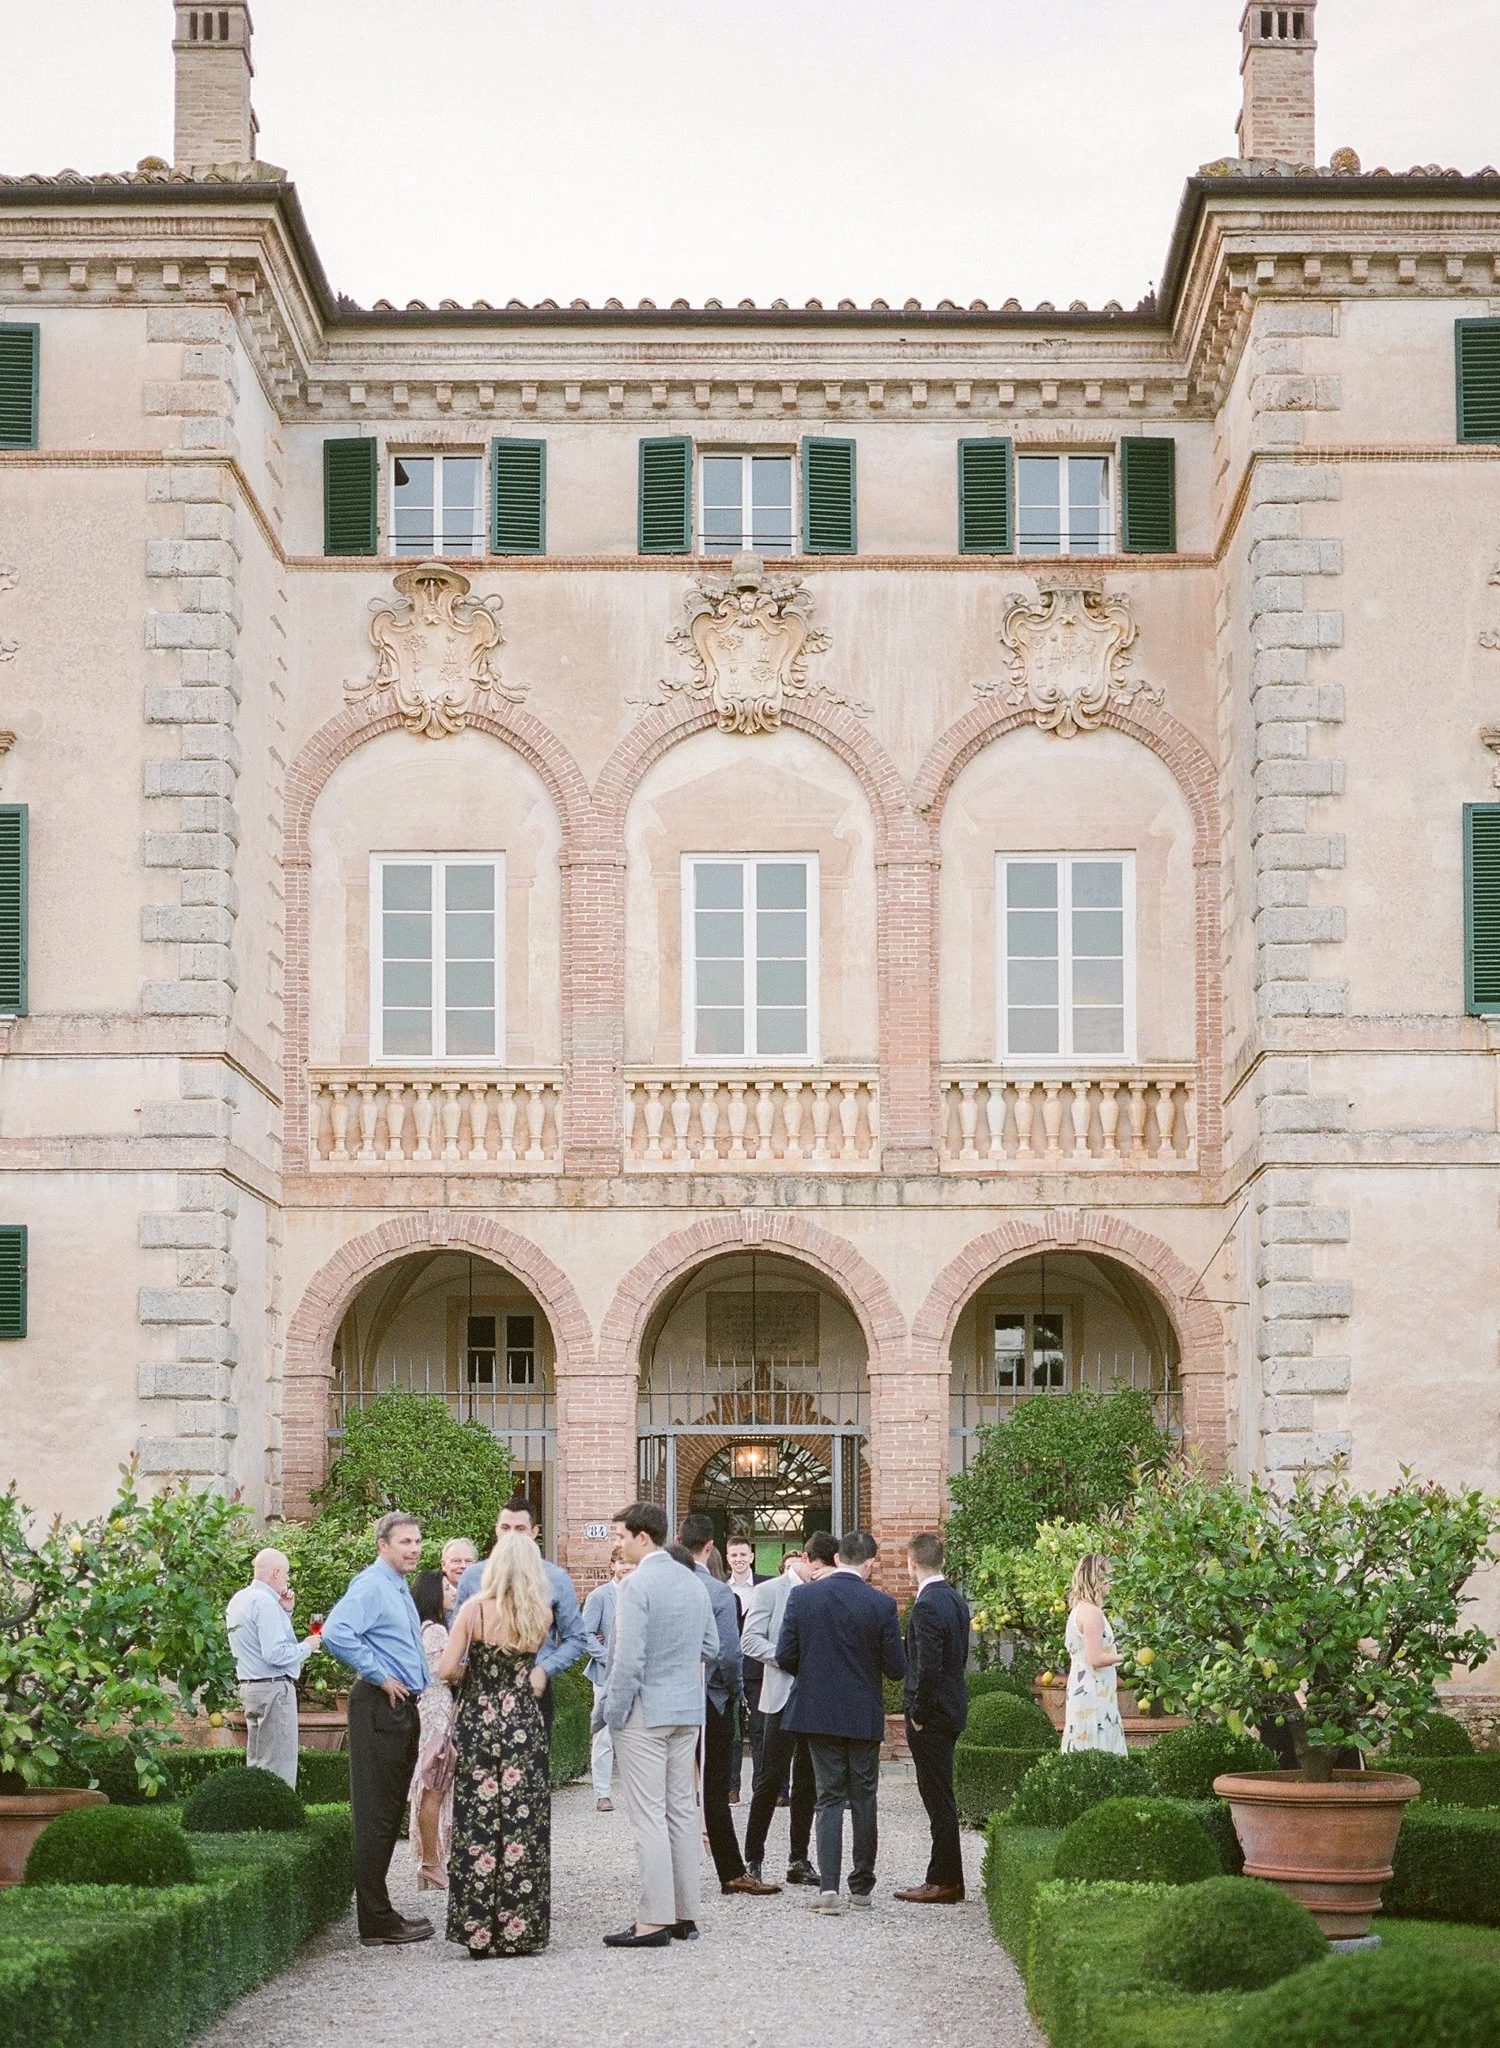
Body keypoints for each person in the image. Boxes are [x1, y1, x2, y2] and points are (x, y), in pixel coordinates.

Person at [599, 1501, 720, 1948]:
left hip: (645, 1712)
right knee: (682, 1812)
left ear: (642, 1538)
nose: (616, 1544)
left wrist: (612, 1714)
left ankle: (654, 1920)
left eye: (619, 1537)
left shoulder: (635, 1586)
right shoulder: (693, 1582)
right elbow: (711, 1645)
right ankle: (686, 1913)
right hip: (686, 1709)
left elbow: (626, 1661)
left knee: (648, 1815)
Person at [776, 1528, 905, 1916]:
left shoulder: (803, 1596)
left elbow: (784, 1656)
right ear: (869, 1562)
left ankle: (829, 1888)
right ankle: (862, 1887)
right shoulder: (880, 1605)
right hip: (862, 1710)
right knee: (864, 1797)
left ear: (836, 1558)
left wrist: (814, 1674)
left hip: (817, 1709)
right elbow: (897, 1670)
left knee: (828, 1796)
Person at [321, 1512, 434, 1946]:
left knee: (387, 1813)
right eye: (405, 1541)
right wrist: (379, 1675)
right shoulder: (371, 1584)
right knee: (376, 1814)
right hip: (380, 1705)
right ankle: (375, 1920)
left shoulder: (396, 1586)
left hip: (400, 1707)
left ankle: (379, 1913)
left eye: (418, 1541)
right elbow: (336, 1633)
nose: (414, 1548)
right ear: (382, 1545)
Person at [439, 1533, 553, 1958]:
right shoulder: (539, 1614)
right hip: (523, 1723)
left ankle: (478, 1933)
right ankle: (519, 1931)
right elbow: (536, 1668)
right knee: (523, 1824)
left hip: (481, 1724)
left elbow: (447, 1667)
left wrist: (475, 1675)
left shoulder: (474, 1610)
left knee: (478, 1823)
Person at [679, 1512, 779, 1898]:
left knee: (671, 1791)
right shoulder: (719, 1592)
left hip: (666, 1699)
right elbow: (728, 1654)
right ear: (710, 1547)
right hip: (709, 1699)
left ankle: (676, 1874)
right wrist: (736, 1693)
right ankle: (732, 1872)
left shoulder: (658, 1584)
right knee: (715, 1788)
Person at [739, 1533, 834, 1886]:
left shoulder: (824, 1594)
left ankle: (799, 1859)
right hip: (779, 1693)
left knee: (807, 1782)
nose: (821, 1574)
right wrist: (782, 1657)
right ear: (806, 1559)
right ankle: (753, 1857)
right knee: (769, 1779)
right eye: (820, 1567)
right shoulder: (770, 1590)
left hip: (813, 1697)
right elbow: (748, 1640)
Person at [454, 1497, 588, 1736]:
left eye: (520, 1528)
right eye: (505, 1528)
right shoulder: (473, 1576)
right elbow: (456, 1638)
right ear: (496, 1530)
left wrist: (544, 1670)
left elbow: (576, 1637)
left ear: (534, 1532)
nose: (511, 1535)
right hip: (481, 1690)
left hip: (532, 1685)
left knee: (530, 1768)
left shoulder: (555, 1579)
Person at [893, 1531, 972, 1905]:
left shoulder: (926, 1606)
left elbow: (928, 1669)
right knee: (941, 1796)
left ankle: (943, 1880)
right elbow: (958, 1660)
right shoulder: (955, 1599)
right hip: (952, 1709)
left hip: (934, 1716)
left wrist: (919, 1714)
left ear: (912, 1562)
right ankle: (947, 1877)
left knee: (937, 1799)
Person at [224, 1546, 322, 1790]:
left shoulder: (240, 1599)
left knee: (257, 1763)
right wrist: (308, 1646)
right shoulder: (265, 1602)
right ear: (276, 1572)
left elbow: (258, 1643)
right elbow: (275, 1653)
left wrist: (285, 1612)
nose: (288, 1580)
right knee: (279, 1766)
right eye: (287, 1574)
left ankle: (256, 1814)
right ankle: (278, 1821)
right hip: (274, 1689)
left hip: (249, 1687)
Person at [407, 1568, 458, 1891]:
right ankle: (430, 1863)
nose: (453, 1591)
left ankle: (431, 1862)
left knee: (431, 1786)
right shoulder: (436, 1632)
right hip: (437, 1709)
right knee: (434, 1786)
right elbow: (447, 1672)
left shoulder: (422, 1628)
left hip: (431, 1707)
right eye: (447, 1587)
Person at [581, 1545, 634, 1812]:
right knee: (603, 1736)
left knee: (637, 1735)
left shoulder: (643, 1594)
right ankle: (602, 1792)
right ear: (612, 1565)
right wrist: (607, 1657)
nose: (627, 1567)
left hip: (637, 1676)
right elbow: (586, 1634)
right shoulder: (599, 1597)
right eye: (621, 1562)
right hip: (605, 1675)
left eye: (631, 1562)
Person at [1061, 1552, 1128, 1756]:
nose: (1112, 1582)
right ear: (1096, 1578)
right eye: (1109, 1576)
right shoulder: (1092, 1613)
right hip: (1094, 1694)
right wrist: (1127, 1657)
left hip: (1087, 1690)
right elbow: (1095, 1659)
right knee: (1097, 1747)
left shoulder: (1079, 1609)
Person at [725, 1533, 769, 1801]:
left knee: (760, 1730)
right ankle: (731, 1786)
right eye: (734, 1555)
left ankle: (762, 1788)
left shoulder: (766, 1586)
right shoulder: (720, 1587)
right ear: (727, 1558)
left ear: (751, 1556)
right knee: (730, 1731)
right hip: (728, 1668)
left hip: (758, 1669)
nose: (739, 1560)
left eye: (743, 1554)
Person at [440, 1538, 477, 1616]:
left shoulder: (482, 1594)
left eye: (468, 1561)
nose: (463, 1566)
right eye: (456, 1561)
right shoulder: (436, 1597)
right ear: (443, 1565)